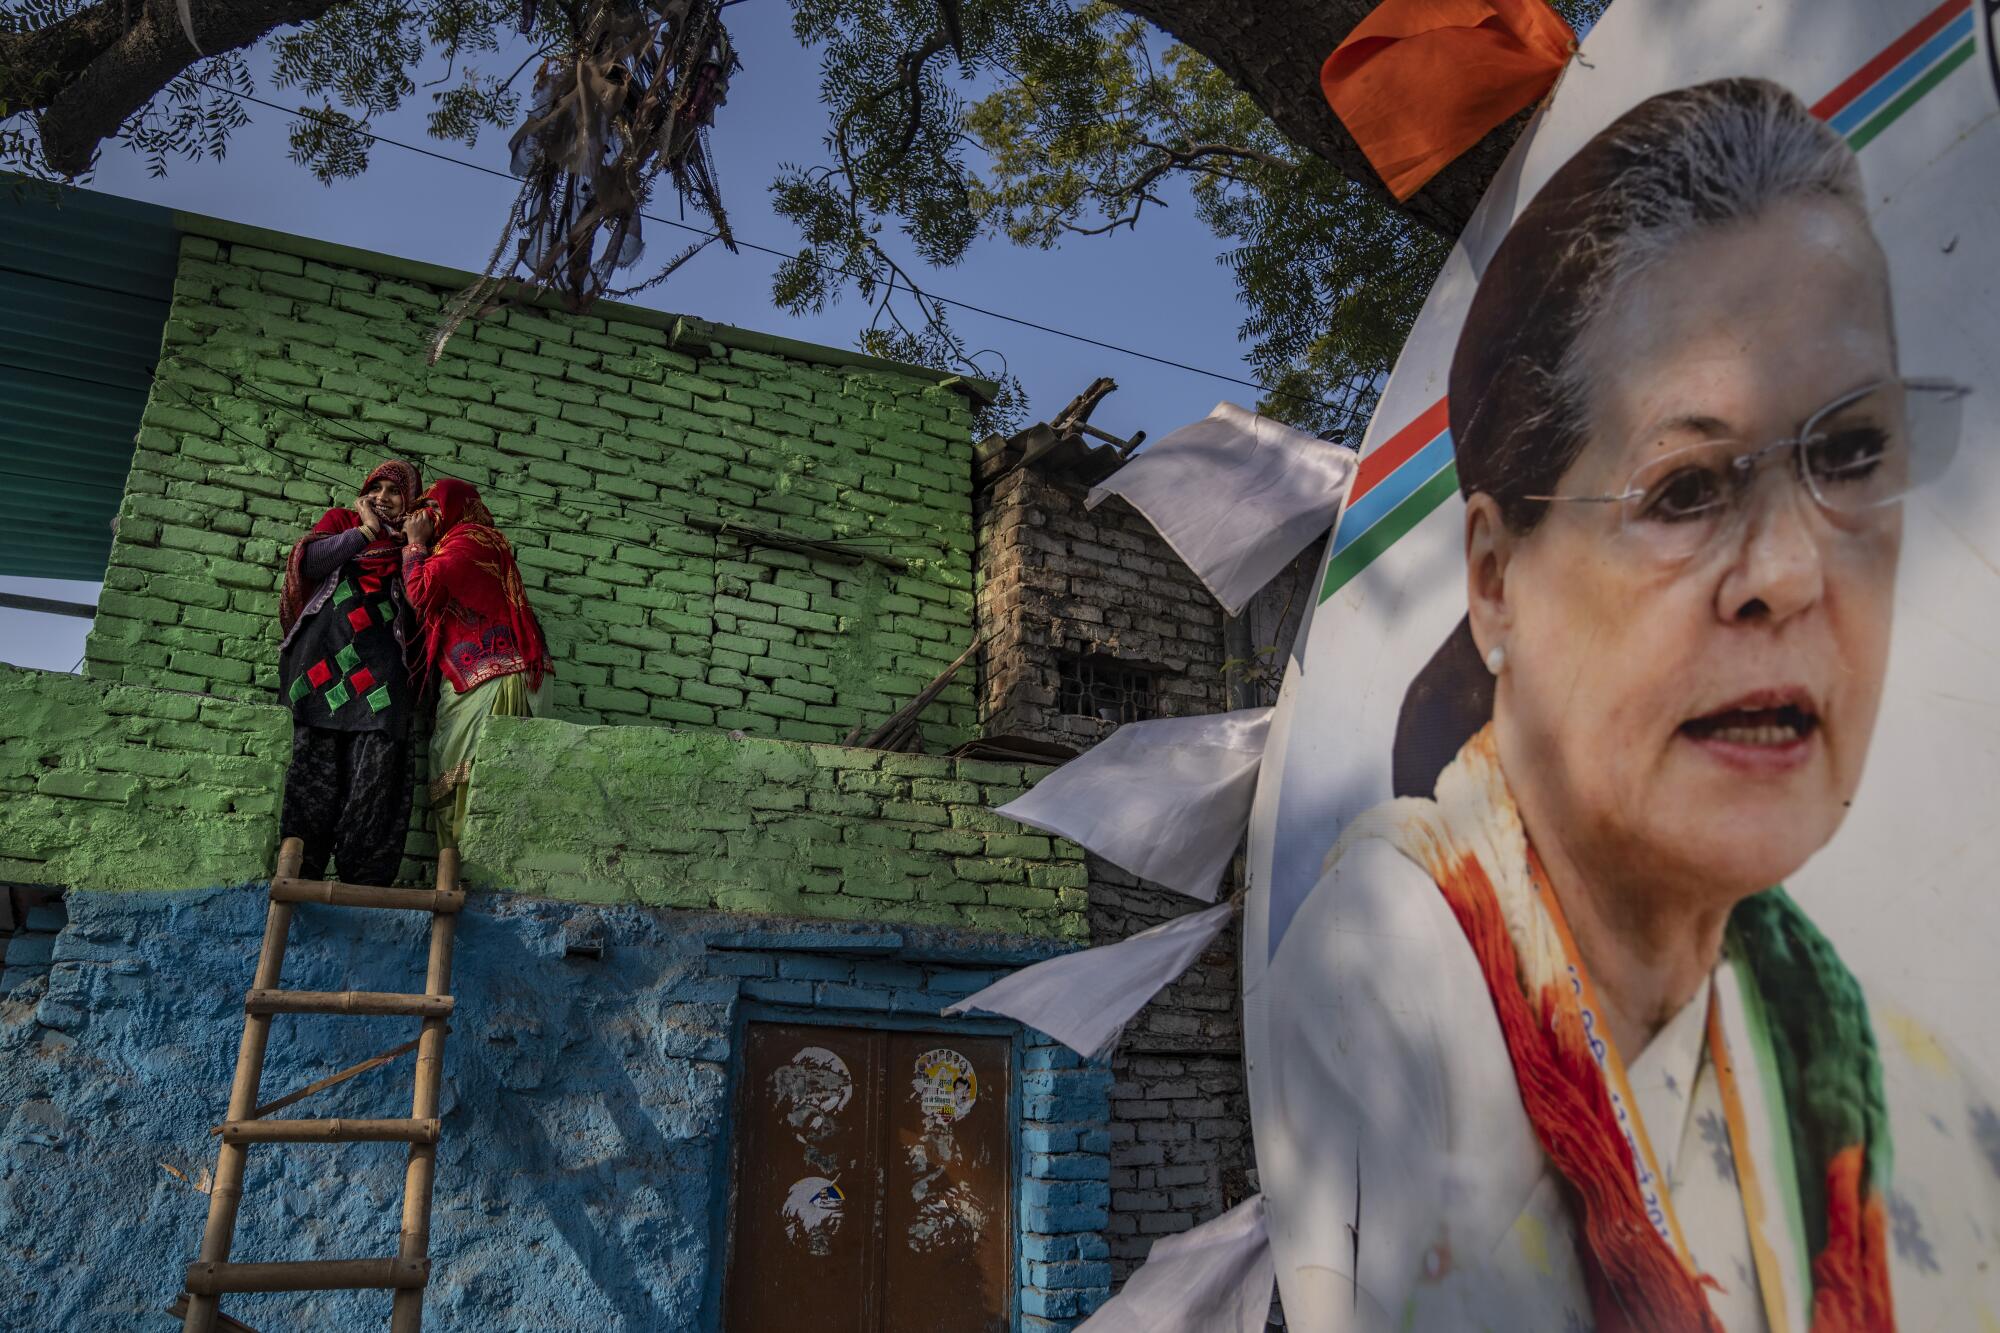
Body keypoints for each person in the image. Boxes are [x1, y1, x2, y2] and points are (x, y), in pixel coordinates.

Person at [1259, 80, 1999, 1331]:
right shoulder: (1395, 971)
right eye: (1684, 488)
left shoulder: (1870, 1084)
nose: (1784, 574)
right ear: (1494, 581)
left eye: (1849, 454)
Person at [276, 459, 424, 886]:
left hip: (381, 672)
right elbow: (310, 565)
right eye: (375, 489)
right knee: (309, 767)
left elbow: (423, 602)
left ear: (409, 500)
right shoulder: (341, 522)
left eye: (394, 491)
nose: (382, 498)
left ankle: (364, 880)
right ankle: (299, 868)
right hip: (319, 666)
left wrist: (413, 545)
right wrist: (365, 531)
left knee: (377, 774)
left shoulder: (416, 542)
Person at [400, 478, 553, 851]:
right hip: (489, 676)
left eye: (433, 509)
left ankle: (468, 873)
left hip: (496, 678)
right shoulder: (473, 543)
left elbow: (420, 591)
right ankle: (459, 871)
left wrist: (415, 545)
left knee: (478, 780)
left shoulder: (469, 540)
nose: (425, 518)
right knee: (459, 774)